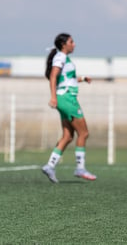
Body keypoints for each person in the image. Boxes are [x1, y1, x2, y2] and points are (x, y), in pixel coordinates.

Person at [42, 33, 97, 183]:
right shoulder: (60, 57)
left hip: (64, 98)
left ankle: (50, 166)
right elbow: (53, 76)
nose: (74, 44)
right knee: (84, 133)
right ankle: (80, 168)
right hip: (67, 99)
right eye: (71, 42)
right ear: (64, 44)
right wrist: (53, 97)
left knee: (67, 136)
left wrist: (83, 79)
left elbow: (67, 79)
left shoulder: (63, 58)